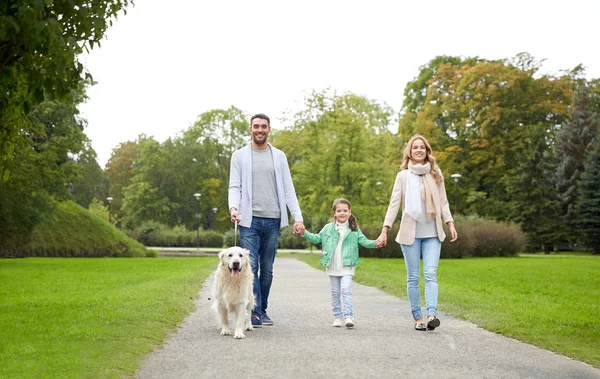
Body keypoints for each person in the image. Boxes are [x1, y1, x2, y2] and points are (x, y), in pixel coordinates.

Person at [228, 113, 305, 328]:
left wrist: (297, 218)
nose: (259, 130)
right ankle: (253, 312)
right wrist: (233, 207)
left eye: (263, 126)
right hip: (248, 220)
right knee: (250, 265)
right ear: (250, 129)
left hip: (273, 219)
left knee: (268, 269)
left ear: (269, 129)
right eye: (256, 126)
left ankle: (262, 310)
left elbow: (289, 189)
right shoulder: (240, 155)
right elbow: (235, 186)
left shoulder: (279, 156)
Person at [376, 134, 457, 331]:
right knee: (413, 277)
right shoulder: (402, 176)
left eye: (422, 147)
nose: (419, 150)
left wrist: (450, 222)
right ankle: (418, 318)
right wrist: (385, 229)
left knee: (430, 273)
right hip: (409, 234)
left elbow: (443, 201)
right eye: (415, 147)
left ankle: (432, 315)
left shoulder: (436, 174)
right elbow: (394, 204)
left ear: (427, 151)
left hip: (432, 233)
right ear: (410, 152)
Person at [302, 198, 383, 328]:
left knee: (346, 289)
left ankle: (349, 316)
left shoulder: (354, 229)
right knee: (335, 291)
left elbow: (364, 241)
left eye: (345, 210)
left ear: (350, 212)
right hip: (333, 264)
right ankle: (337, 317)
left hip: (348, 264)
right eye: (339, 210)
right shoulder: (328, 228)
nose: (342, 213)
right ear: (334, 213)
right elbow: (316, 238)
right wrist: (304, 232)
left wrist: (375, 243)